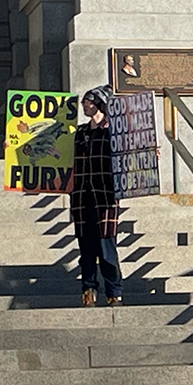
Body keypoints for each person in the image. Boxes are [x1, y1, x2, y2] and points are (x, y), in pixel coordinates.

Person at [72, 86, 122, 307]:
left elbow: (131, 152)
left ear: (100, 104)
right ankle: (88, 290)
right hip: (82, 196)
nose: (85, 104)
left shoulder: (113, 132)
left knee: (106, 247)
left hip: (105, 196)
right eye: (84, 101)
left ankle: (114, 293)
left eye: (89, 101)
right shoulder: (80, 132)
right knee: (86, 248)